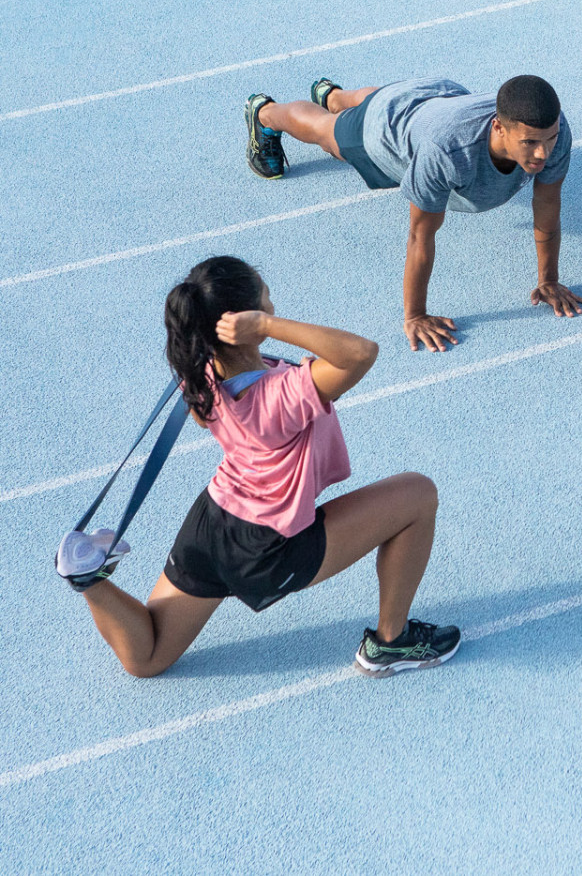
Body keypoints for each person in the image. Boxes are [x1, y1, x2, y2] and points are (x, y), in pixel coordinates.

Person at [67, 255, 461, 678]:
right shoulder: (281, 396)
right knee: (418, 494)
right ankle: (391, 642)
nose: (271, 305)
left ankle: (88, 578)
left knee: (146, 659)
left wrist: (254, 335)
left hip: (212, 525)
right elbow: (361, 354)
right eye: (265, 300)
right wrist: (270, 327)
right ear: (247, 320)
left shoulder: (199, 373)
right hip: (268, 548)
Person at [244, 74, 582, 352]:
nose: (543, 153)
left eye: (550, 139)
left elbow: (546, 207)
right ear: (499, 127)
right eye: (530, 143)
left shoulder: (553, 129)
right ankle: (266, 113)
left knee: (381, 101)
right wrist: (416, 315)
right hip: (387, 128)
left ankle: (335, 96)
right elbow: (420, 236)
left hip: (434, 98)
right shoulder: (446, 152)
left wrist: (548, 280)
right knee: (327, 134)